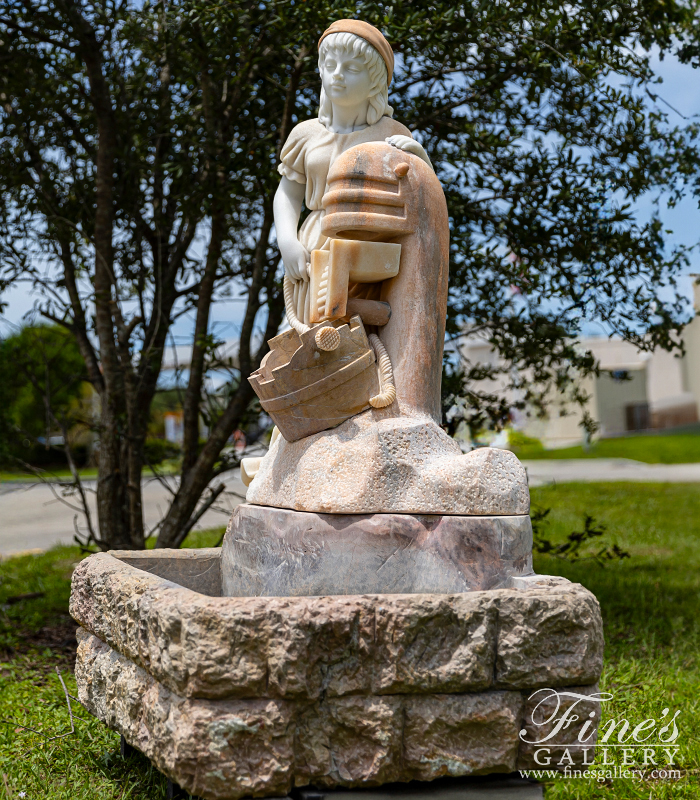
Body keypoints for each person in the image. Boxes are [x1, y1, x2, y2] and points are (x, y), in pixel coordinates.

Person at [273, 19, 432, 328]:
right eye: (330, 64)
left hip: (370, 248)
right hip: (314, 243)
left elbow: (422, 200)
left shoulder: (391, 133)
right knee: (305, 332)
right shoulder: (305, 134)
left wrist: (421, 160)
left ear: (375, 81)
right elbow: (288, 193)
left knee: (356, 335)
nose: (337, 75)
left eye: (352, 68)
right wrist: (287, 242)